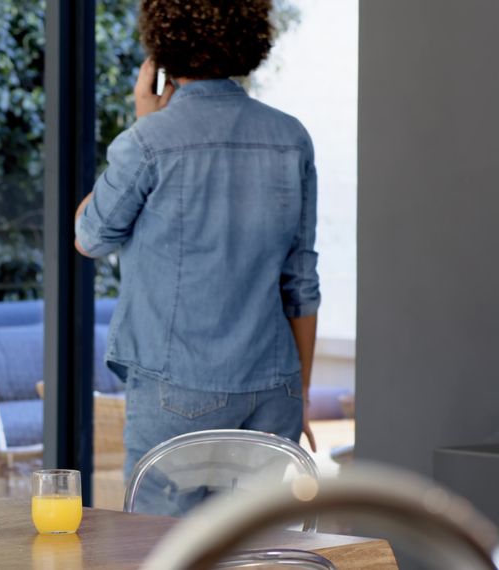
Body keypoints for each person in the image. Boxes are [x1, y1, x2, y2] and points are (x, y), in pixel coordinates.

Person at [74, 0, 321, 490]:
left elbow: (89, 235)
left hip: (177, 391)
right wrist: (301, 393)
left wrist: (142, 121)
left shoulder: (150, 140)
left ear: (163, 44)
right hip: (274, 386)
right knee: (261, 555)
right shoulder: (291, 138)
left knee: (164, 552)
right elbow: (302, 283)